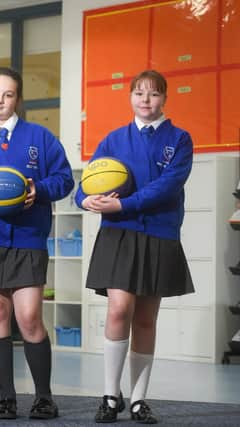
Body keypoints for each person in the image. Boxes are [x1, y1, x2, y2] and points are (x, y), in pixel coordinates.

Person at [0, 66, 74, 420]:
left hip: (28, 238)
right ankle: (6, 396)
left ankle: (44, 397)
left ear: (17, 99)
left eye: (8, 94)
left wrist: (40, 190)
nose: (0, 100)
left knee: (30, 317)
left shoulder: (40, 137)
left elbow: (65, 179)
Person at [75, 69, 194, 424]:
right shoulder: (113, 139)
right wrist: (86, 201)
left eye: (154, 94)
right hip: (118, 234)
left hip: (159, 234)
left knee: (145, 318)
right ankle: (111, 395)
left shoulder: (180, 139)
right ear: (130, 97)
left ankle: (140, 399)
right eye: (139, 93)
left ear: (164, 99)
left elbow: (169, 187)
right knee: (118, 310)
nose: (146, 99)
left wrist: (124, 204)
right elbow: (86, 184)